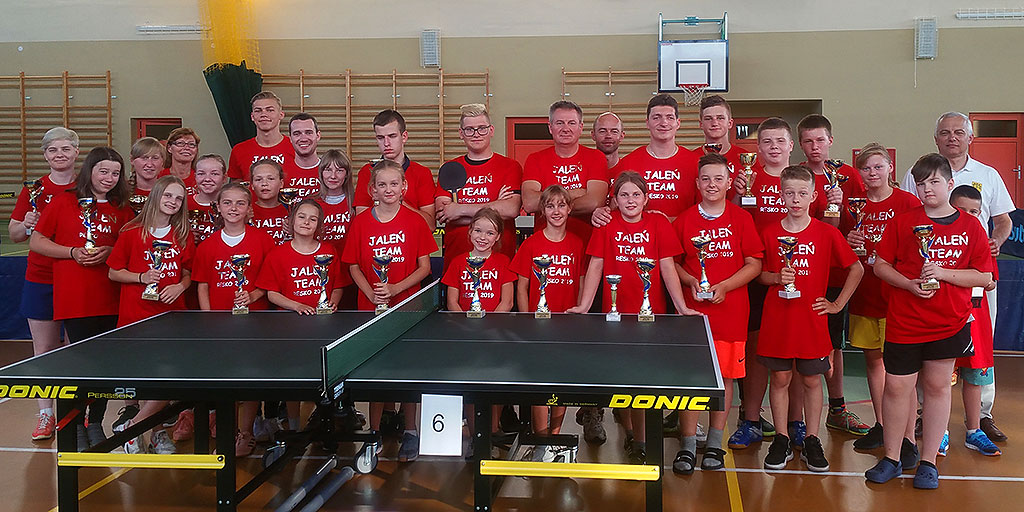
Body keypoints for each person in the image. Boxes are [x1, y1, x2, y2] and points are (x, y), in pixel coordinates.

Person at [865, 153, 993, 489]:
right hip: (905, 321)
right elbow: (881, 266)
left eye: (934, 182)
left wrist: (944, 273)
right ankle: (892, 457)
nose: (927, 190)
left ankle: (929, 461)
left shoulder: (971, 226)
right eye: (921, 184)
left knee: (937, 388)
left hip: (948, 323)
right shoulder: (903, 222)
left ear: (949, 184)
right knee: (897, 387)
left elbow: (985, 277)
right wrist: (908, 284)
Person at [568, 172, 699, 463]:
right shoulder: (606, 225)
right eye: (624, 195)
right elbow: (596, 266)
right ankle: (631, 433)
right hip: (616, 318)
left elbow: (667, 267)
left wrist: (681, 307)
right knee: (624, 382)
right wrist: (584, 305)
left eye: (636, 194)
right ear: (614, 199)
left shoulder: (659, 224)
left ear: (646, 198)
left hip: (650, 319)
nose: (630, 200)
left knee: (646, 384)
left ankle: (642, 440)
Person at [899, 112, 1015, 442]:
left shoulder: (988, 174)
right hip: (931, 274)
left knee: (980, 346)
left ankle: (982, 416)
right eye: (945, 132)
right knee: (932, 348)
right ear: (936, 138)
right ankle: (927, 414)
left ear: (970, 137)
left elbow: (1003, 220)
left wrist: (996, 241)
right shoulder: (918, 173)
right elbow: (908, 216)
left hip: (975, 272)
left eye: (958, 132)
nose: (952, 137)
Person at [757, 165, 863, 472]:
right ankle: (781, 438)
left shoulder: (826, 233)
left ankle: (812, 439)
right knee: (780, 379)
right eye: (789, 193)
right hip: (778, 318)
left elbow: (856, 268)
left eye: (802, 193)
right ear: (781, 195)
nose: (795, 199)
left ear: (813, 197)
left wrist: (837, 304)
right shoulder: (770, 232)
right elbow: (760, 274)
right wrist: (776, 277)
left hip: (812, 319)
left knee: (812, 380)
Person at [30, 146, 135, 449]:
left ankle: (96, 421)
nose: (109, 178)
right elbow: (37, 241)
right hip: (75, 298)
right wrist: (72, 252)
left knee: (106, 365)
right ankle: (74, 423)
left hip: (111, 297)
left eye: (115, 173)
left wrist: (111, 251)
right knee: (81, 364)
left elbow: (129, 248)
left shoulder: (122, 208)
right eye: (104, 171)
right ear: (89, 170)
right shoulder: (64, 202)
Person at [671, 153, 763, 474]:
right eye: (706, 179)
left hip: (731, 313)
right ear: (697, 183)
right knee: (690, 379)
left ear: (729, 183)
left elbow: (754, 264)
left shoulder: (741, 218)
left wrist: (724, 286)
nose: (712, 184)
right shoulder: (684, 220)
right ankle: (687, 444)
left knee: (724, 378)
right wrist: (691, 280)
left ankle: (714, 442)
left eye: (718, 179)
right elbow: (673, 264)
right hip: (693, 315)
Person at [342, 160, 436, 462]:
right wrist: (370, 292)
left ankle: (410, 430)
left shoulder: (415, 221)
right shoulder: (360, 223)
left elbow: (425, 268)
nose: (388, 189)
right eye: (381, 185)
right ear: (372, 190)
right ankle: (374, 433)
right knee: (375, 373)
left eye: (394, 184)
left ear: (403, 187)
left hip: (407, 308)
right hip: (371, 309)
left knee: (408, 371)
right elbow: (353, 266)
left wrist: (395, 289)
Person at [107, 175, 195, 454]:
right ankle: (156, 434)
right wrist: (141, 277)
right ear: (156, 196)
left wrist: (180, 287)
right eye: (168, 195)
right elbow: (113, 272)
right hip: (137, 316)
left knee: (172, 377)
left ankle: (133, 427)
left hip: (172, 317)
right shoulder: (131, 233)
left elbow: (188, 273)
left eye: (179, 198)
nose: (173, 202)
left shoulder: (183, 235)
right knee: (148, 380)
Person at [796, 114, 871, 438]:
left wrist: (845, 214)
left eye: (820, 140)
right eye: (808, 141)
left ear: (830, 141)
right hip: (803, 274)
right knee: (802, 345)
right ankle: (797, 419)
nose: (815, 146)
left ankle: (837, 409)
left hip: (836, 274)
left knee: (833, 345)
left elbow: (859, 219)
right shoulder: (797, 177)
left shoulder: (848, 175)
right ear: (801, 145)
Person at [844, 143, 921, 451]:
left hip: (897, 297)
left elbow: (918, 247)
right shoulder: (854, 205)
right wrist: (849, 239)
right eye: (866, 168)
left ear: (890, 167)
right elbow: (843, 247)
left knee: (901, 369)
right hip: (865, 293)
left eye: (878, 166)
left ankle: (906, 436)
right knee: (873, 362)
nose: (872, 173)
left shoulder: (907, 202)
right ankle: (882, 424)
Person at [192, 182, 275, 456]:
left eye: (240, 203)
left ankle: (246, 433)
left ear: (250, 208)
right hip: (221, 326)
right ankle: (228, 430)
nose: (233, 208)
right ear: (218, 207)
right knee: (225, 381)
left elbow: (269, 281)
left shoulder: (262, 240)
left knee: (251, 379)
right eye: (227, 203)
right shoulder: (207, 246)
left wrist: (253, 296)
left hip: (255, 322)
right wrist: (208, 319)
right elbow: (202, 285)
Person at [9, 127, 79, 441]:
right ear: (45, 155)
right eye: (53, 150)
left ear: (76, 152)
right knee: (45, 349)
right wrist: (25, 225)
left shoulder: (87, 185)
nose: (59, 155)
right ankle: (46, 414)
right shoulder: (34, 190)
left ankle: (78, 410)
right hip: (42, 277)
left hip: (78, 277)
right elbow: (15, 234)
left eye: (65, 149)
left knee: (78, 348)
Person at [510, 185, 590, 445]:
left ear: (569, 209)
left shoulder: (577, 243)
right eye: (550, 206)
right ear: (542, 211)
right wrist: (527, 320)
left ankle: (554, 438)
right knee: (540, 385)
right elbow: (522, 286)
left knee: (561, 383)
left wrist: (579, 315)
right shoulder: (531, 244)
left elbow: (581, 282)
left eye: (561, 205)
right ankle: (541, 440)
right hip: (538, 328)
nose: (556, 211)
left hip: (566, 327)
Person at [435, 104, 521, 270]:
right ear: (461, 133)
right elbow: (444, 213)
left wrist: (459, 209)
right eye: (469, 129)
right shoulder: (450, 168)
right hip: (457, 263)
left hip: (499, 264)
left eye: (482, 128)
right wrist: (495, 212)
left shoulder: (510, 166)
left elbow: (511, 210)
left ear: (491, 130)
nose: (476, 134)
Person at [949, 185, 1001, 456]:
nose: (968, 216)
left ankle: (974, 430)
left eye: (974, 212)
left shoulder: (982, 239)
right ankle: (940, 431)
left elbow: (990, 281)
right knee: (941, 378)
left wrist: (973, 276)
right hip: (947, 319)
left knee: (974, 377)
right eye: (961, 210)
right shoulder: (941, 240)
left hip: (976, 321)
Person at [592, 94, 699, 225]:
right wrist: (601, 213)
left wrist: (667, 221)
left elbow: (706, 210)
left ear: (678, 123)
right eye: (656, 117)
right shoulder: (628, 163)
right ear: (647, 123)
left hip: (684, 234)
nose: (663, 123)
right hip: (639, 236)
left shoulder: (695, 163)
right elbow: (614, 208)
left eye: (669, 117)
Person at [523, 101, 608, 246]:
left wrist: (548, 202)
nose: (565, 128)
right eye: (559, 123)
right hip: (545, 245)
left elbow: (594, 202)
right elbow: (530, 203)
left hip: (586, 243)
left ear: (580, 127)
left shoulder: (596, 157)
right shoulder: (535, 159)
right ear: (550, 127)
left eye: (571, 123)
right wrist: (577, 193)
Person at [352, 109, 436, 230]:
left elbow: (430, 226)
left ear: (404, 137)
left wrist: (397, 202)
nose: (386, 143)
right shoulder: (367, 172)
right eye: (380, 138)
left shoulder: (421, 173)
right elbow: (361, 224)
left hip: (410, 238)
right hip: (378, 239)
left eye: (392, 136)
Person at [227, 91, 292, 180]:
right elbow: (235, 186)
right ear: (252, 116)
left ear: (281, 115)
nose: (264, 114)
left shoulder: (295, 148)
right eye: (258, 111)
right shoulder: (239, 150)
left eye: (270, 110)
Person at [697, 95, 745, 190]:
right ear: (701, 124)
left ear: (730, 123)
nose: (714, 123)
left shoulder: (745, 158)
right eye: (708, 118)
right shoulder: (691, 159)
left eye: (720, 118)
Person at [187, 154, 228, 245]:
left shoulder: (231, 206)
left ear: (224, 178)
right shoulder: (184, 203)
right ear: (195, 176)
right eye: (201, 174)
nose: (207, 179)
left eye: (214, 174)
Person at [249, 159, 290, 244]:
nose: (264, 183)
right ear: (252, 185)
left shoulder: (291, 210)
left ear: (281, 183)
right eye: (258, 179)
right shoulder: (246, 212)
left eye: (270, 179)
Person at [284, 112, 322, 199]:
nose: (303, 139)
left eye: (308, 133)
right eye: (297, 134)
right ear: (290, 138)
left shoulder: (331, 172)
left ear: (318, 136)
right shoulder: (280, 173)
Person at [159, 127, 200, 195]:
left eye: (191, 144)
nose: (186, 148)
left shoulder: (201, 178)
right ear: (169, 148)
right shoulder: (159, 177)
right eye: (180, 143)